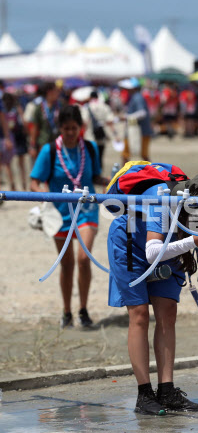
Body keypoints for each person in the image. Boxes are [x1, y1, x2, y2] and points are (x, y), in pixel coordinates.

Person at [107, 170, 198, 415]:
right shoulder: (164, 201)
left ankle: (167, 391)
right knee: (139, 314)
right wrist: (192, 242)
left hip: (171, 246)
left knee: (168, 312)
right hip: (131, 243)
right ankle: (144, 394)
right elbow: (152, 252)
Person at [30, 105, 110, 329]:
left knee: (84, 259)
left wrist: (115, 181)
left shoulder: (90, 148)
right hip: (59, 214)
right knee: (66, 264)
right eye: (66, 129)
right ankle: (67, 311)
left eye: (74, 128)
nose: (71, 133)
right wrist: (43, 197)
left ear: (81, 128)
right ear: (60, 128)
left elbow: (94, 176)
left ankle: (83, 309)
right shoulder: (49, 151)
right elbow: (34, 182)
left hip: (86, 212)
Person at [119, 78, 152, 164]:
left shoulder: (137, 97)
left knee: (140, 155)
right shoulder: (135, 97)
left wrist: (127, 117)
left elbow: (142, 113)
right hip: (138, 130)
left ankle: (124, 175)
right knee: (137, 154)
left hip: (139, 131)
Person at [81, 90, 118, 169]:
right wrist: (115, 134)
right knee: (100, 156)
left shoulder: (86, 107)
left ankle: (92, 174)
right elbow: (110, 121)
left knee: (91, 156)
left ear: (90, 97)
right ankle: (99, 172)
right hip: (102, 135)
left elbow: (84, 122)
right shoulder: (104, 106)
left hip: (90, 136)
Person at [3, 92, 28, 191]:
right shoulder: (17, 108)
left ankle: (12, 185)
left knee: (8, 164)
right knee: (21, 163)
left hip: (9, 136)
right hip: (19, 136)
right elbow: (23, 121)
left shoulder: (3, 110)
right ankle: (24, 183)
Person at [29, 82, 60, 160]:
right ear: (49, 92)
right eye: (56, 90)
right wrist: (32, 146)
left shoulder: (60, 105)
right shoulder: (39, 108)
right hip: (44, 143)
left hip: (59, 143)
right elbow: (35, 128)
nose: (58, 93)